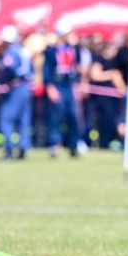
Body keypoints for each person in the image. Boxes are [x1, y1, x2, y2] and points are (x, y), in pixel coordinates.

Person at [44, 26, 84, 158]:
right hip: (57, 84)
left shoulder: (74, 49)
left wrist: (77, 85)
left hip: (69, 85)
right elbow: (47, 70)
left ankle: (73, 145)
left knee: (73, 115)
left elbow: (76, 69)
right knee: (56, 116)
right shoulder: (51, 51)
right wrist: (50, 87)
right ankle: (54, 144)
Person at [0, 26, 33, 160]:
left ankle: (9, 149)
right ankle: (23, 147)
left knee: (6, 119)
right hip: (26, 87)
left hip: (15, 88)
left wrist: (4, 81)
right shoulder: (23, 50)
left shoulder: (10, 52)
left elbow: (11, 69)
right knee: (23, 119)